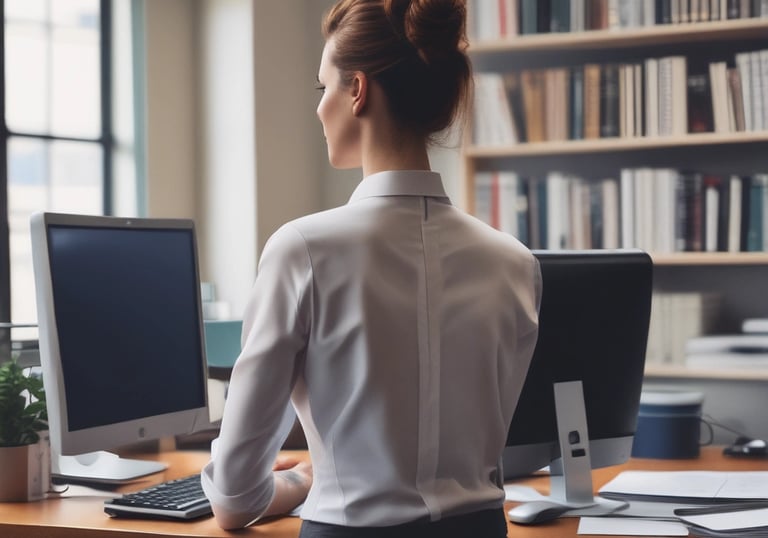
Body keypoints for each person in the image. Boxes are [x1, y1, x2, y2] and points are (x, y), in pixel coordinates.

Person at [200, 0, 541, 536]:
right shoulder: (516, 264)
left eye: (323, 88)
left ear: (357, 90)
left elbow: (235, 499)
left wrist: (305, 481)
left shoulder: (302, 250)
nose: (318, 109)